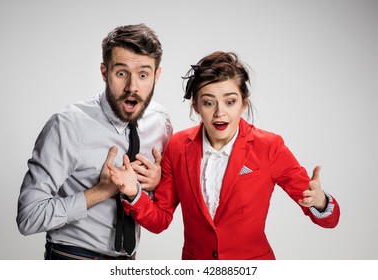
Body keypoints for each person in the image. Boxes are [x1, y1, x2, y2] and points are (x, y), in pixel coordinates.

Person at [107, 51, 340, 260]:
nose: (220, 113)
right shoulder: (178, 146)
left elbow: (330, 219)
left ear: (243, 104)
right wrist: (133, 193)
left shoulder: (269, 146)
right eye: (209, 103)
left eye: (230, 101)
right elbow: (160, 220)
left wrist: (320, 201)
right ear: (196, 106)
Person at [16, 23, 172, 260]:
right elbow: (29, 217)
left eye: (143, 75)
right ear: (104, 72)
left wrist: (158, 181)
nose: (132, 87)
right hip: (72, 258)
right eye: (121, 73)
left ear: (156, 75)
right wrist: (99, 192)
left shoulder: (161, 123)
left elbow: (159, 207)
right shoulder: (68, 125)